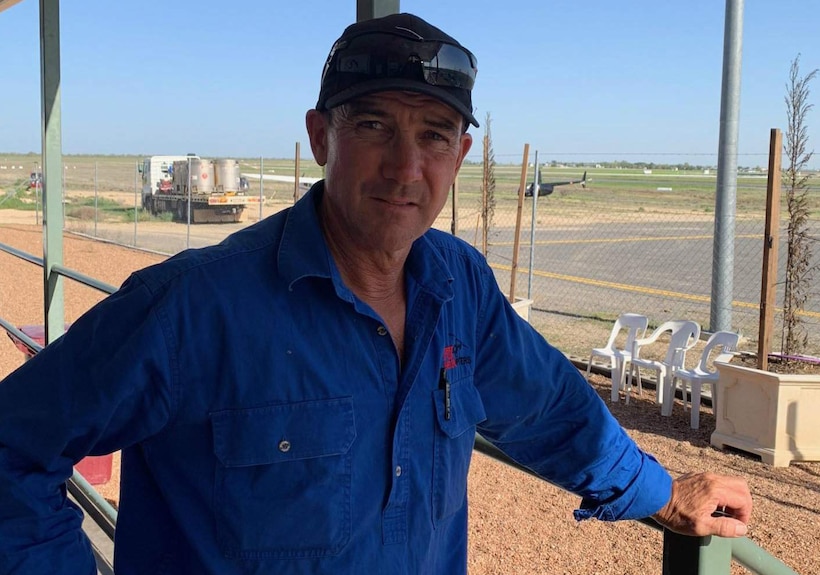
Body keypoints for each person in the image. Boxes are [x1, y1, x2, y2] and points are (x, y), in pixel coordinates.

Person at [0, 12, 752, 574]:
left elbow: (553, 408)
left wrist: (662, 493)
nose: (405, 166)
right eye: (373, 125)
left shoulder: (460, 288)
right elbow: (13, 447)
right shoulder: (195, 307)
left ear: (460, 154)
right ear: (320, 136)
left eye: (433, 134)